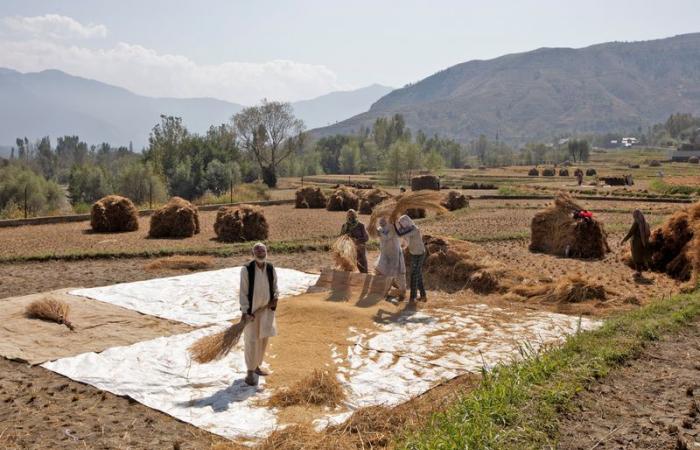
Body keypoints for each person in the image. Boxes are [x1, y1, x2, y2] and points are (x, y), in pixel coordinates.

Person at [239, 242, 279, 386]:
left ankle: (256, 367)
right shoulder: (246, 270)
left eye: (263, 252)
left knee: (263, 338)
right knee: (251, 340)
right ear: (253, 255)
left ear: (266, 253)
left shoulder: (270, 268)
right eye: (258, 252)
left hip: (267, 311)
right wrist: (245, 311)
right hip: (252, 313)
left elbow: (275, 286)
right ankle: (250, 372)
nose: (261, 254)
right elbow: (243, 292)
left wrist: (275, 297)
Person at [395, 215, 427, 302]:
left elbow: (399, 234)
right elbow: (401, 235)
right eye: (401, 225)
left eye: (402, 224)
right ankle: (423, 296)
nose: (401, 226)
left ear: (406, 222)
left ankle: (413, 298)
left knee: (414, 275)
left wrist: (394, 225)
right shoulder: (407, 229)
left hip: (420, 254)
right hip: (414, 254)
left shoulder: (414, 229)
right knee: (418, 275)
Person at [375, 217, 407, 300]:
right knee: (381, 270)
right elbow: (380, 237)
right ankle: (388, 291)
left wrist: (379, 233)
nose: (381, 221)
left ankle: (401, 292)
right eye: (380, 221)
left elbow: (387, 237)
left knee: (398, 272)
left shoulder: (391, 227)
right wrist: (377, 232)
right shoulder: (379, 229)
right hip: (385, 254)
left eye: (383, 220)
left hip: (395, 253)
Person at [621, 209, 651, 277]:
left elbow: (630, 232)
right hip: (643, 242)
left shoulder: (636, 223)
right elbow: (649, 233)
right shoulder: (646, 223)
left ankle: (638, 272)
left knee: (636, 257)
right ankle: (644, 269)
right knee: (641, 256)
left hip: (636, 243)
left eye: (634, 215)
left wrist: (624, 240)